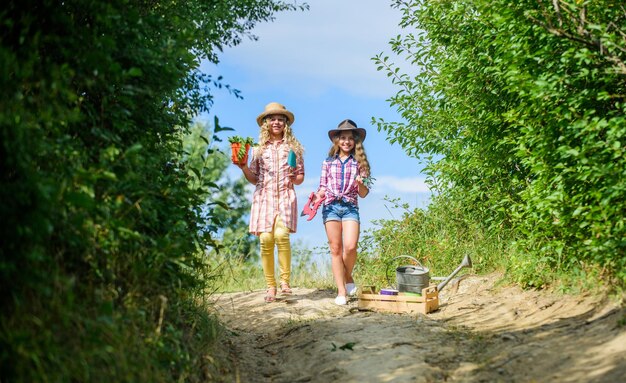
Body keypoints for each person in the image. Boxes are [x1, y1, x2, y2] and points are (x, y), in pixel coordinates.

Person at [236, 102, 305, 303]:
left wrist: (294, 177)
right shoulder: (258, 150)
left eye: (280, 119)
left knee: (282, 236)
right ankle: (270, 286)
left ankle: (285, 282)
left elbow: (300, 176)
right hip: (264, 197)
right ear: (266, 123)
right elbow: (254, 177)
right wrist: (243, 167)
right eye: (272, 119)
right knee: (266, 240)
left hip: (284, 195)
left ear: (286, 123)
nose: (276, 122)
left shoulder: (293, 148)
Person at [312, 119, 371, 305]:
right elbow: (322, 187)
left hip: (350, 207)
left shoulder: (360, 164)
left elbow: (364, 194)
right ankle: (341, 292)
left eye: (350, 139)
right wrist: (316, 197)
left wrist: (361, 184)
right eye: (343, 138)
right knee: (335, 249)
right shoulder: (328, 162)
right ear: (336, 140)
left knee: (351, 246)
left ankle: (347, 276)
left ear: (355, 142)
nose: (346, 142)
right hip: (330, 207)